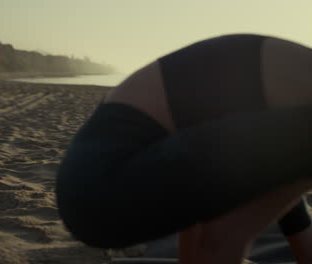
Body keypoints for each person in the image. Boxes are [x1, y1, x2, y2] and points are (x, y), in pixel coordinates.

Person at [55, 34, 312, 264]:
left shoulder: (292, 107)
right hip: (101, 194)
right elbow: (220, 238)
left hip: (90, 183)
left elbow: (287, 212)